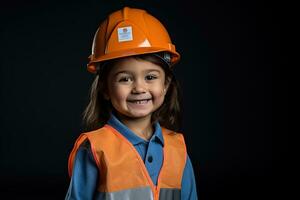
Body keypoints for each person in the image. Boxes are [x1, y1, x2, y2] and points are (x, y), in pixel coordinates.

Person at [65, 6, 198, 200]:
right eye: (125, 79)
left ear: (166, 85)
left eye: (150, 77)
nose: (139, 88)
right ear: (105, 89)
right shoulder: (94, 148)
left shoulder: (177, 149)